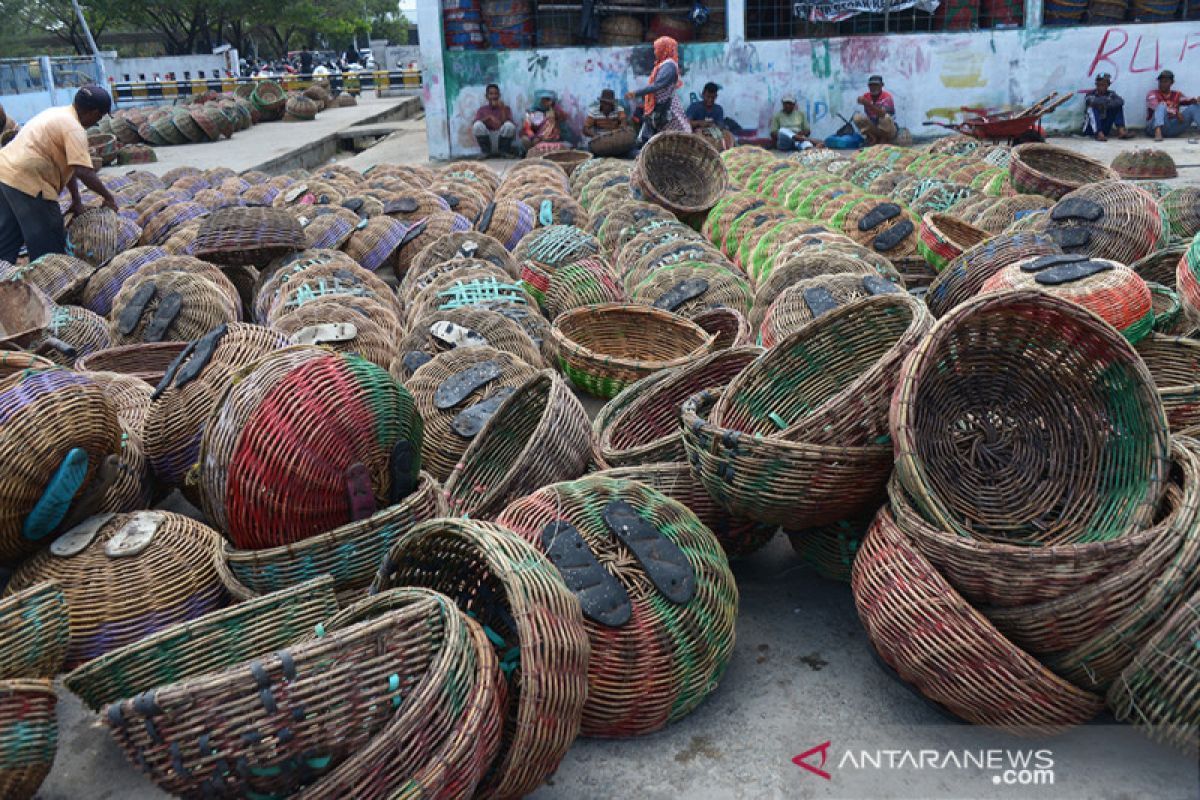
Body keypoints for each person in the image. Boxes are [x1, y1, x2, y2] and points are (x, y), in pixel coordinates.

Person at [0, 86, 118, 264]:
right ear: (93, 112)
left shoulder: (57, 113)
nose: (98, 121)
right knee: (49, 239)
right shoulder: (74, 129)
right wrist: (108, 197)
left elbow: (70, 168)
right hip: (29, 180)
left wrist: (76, 200)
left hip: (5, 175)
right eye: (100, 116)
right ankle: (48, 286)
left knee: (8, 240)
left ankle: (3, 276)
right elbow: (84, 171)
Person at [627, 36, 689, 143]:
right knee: (660, 136)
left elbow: (657, 85)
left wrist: (636, 93)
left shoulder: (668, 66)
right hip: (660, 106)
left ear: (664, 49)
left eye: (657, 49)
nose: (655, 52)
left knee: (678, 136)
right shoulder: (664, 64)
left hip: (667, 108)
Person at [1146, 70, 1198, 142]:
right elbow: (1156, 106)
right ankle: (1158, 132)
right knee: (1161, 105)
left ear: (1172, 82)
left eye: (1165, 81)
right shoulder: (1152, 94)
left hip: (1171, 128)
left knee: (1194, 107)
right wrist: (1176, 112)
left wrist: (1195, 100)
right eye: (1161, 81)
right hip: (1153, 128)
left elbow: (1187, 100)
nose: (1162, 84)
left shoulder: (1177, 94)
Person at [520, 90, 575, 156]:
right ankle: (531, 154)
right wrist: (533, 137)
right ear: (538, 101)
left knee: (566, 145)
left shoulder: (554, 111)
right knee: (525, 140)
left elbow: (564, 117)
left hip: (552, 139)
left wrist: (555, 108)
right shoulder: (531, 113)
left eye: (548, 100)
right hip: (536, 138)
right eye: (543, 100)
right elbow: (527, 128)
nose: (546, 102)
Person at [1081, 73, 1131, 141]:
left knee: (1118, 107)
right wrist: (1107, 102)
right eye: (1099, 85)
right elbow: (1092, 102)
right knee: (1092, 108)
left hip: (1105, 128)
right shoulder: (1090, 95)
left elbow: (1120, 101)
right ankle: (1098, 133)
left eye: (1103, 85)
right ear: (1096, 85)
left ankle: (1121, 131)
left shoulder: (1111, 94)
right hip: (1090, 129)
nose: (1100, 87)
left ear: (1108, 85)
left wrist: (1104, 104)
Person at [472, 83, 517, 157]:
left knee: (509, 125)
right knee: (477, 125)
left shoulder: (506, 108)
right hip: (487, 138)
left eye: (496, 94)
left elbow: (509, 125)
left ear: (499, 95)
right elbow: (475, 124)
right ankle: (486, 152)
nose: (494, 96)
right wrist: (489, 118)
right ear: (486, 96)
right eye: (491, 94)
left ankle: (504, 152)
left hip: (501, 138)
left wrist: (502, 109)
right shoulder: (482, 109)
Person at [687, 82, 735, 150]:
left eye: (713, 97)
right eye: (708, 97)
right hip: (698, 134)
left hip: (713, 133)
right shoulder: (694, 107)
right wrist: (699, 123)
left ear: (716, 96)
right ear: (703, 94)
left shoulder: (718, 109)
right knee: (698, 135)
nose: (710, 100)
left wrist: (713, 126)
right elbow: (686, 123)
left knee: (728, 135)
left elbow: (720, 126)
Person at [853, 75, 897, 145]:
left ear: (882, 85)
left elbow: (882, 114)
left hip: (889, 130)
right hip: (874, 126)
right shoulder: (866, 96)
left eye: (876, 85)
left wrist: (868, 104)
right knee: (857, 117)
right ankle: (873, 138)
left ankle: (883, 140)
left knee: (885, 118)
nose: (873, 88)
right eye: (871, 85)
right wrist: (860, 101)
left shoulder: (887, 97)